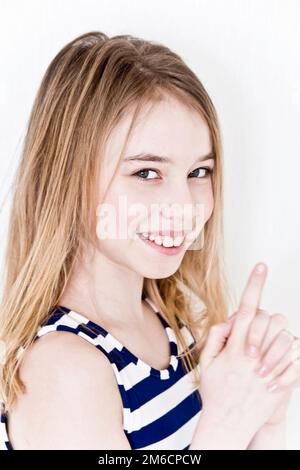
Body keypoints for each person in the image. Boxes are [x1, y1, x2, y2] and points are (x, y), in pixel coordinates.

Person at [0, 31, 299, 450]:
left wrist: (267, 415)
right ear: (68, 180)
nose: (184, 206)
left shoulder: (170, 320)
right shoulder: (64, 371)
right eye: (146, 173)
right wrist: (228, 421)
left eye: (199, 172)